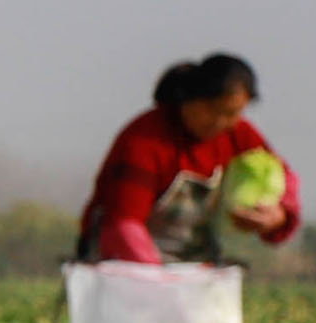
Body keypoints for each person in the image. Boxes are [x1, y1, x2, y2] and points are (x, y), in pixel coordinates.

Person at [80, 53, 300, 265]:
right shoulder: (145, 139)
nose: (220, 122)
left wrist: (277, 216)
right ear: (190, 98)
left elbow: (282, 178)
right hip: (126, 267)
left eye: (232, 114)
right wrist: (160, 281)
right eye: (212, 109)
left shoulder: (238, 135)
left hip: (195, 268)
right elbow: (123, 225)